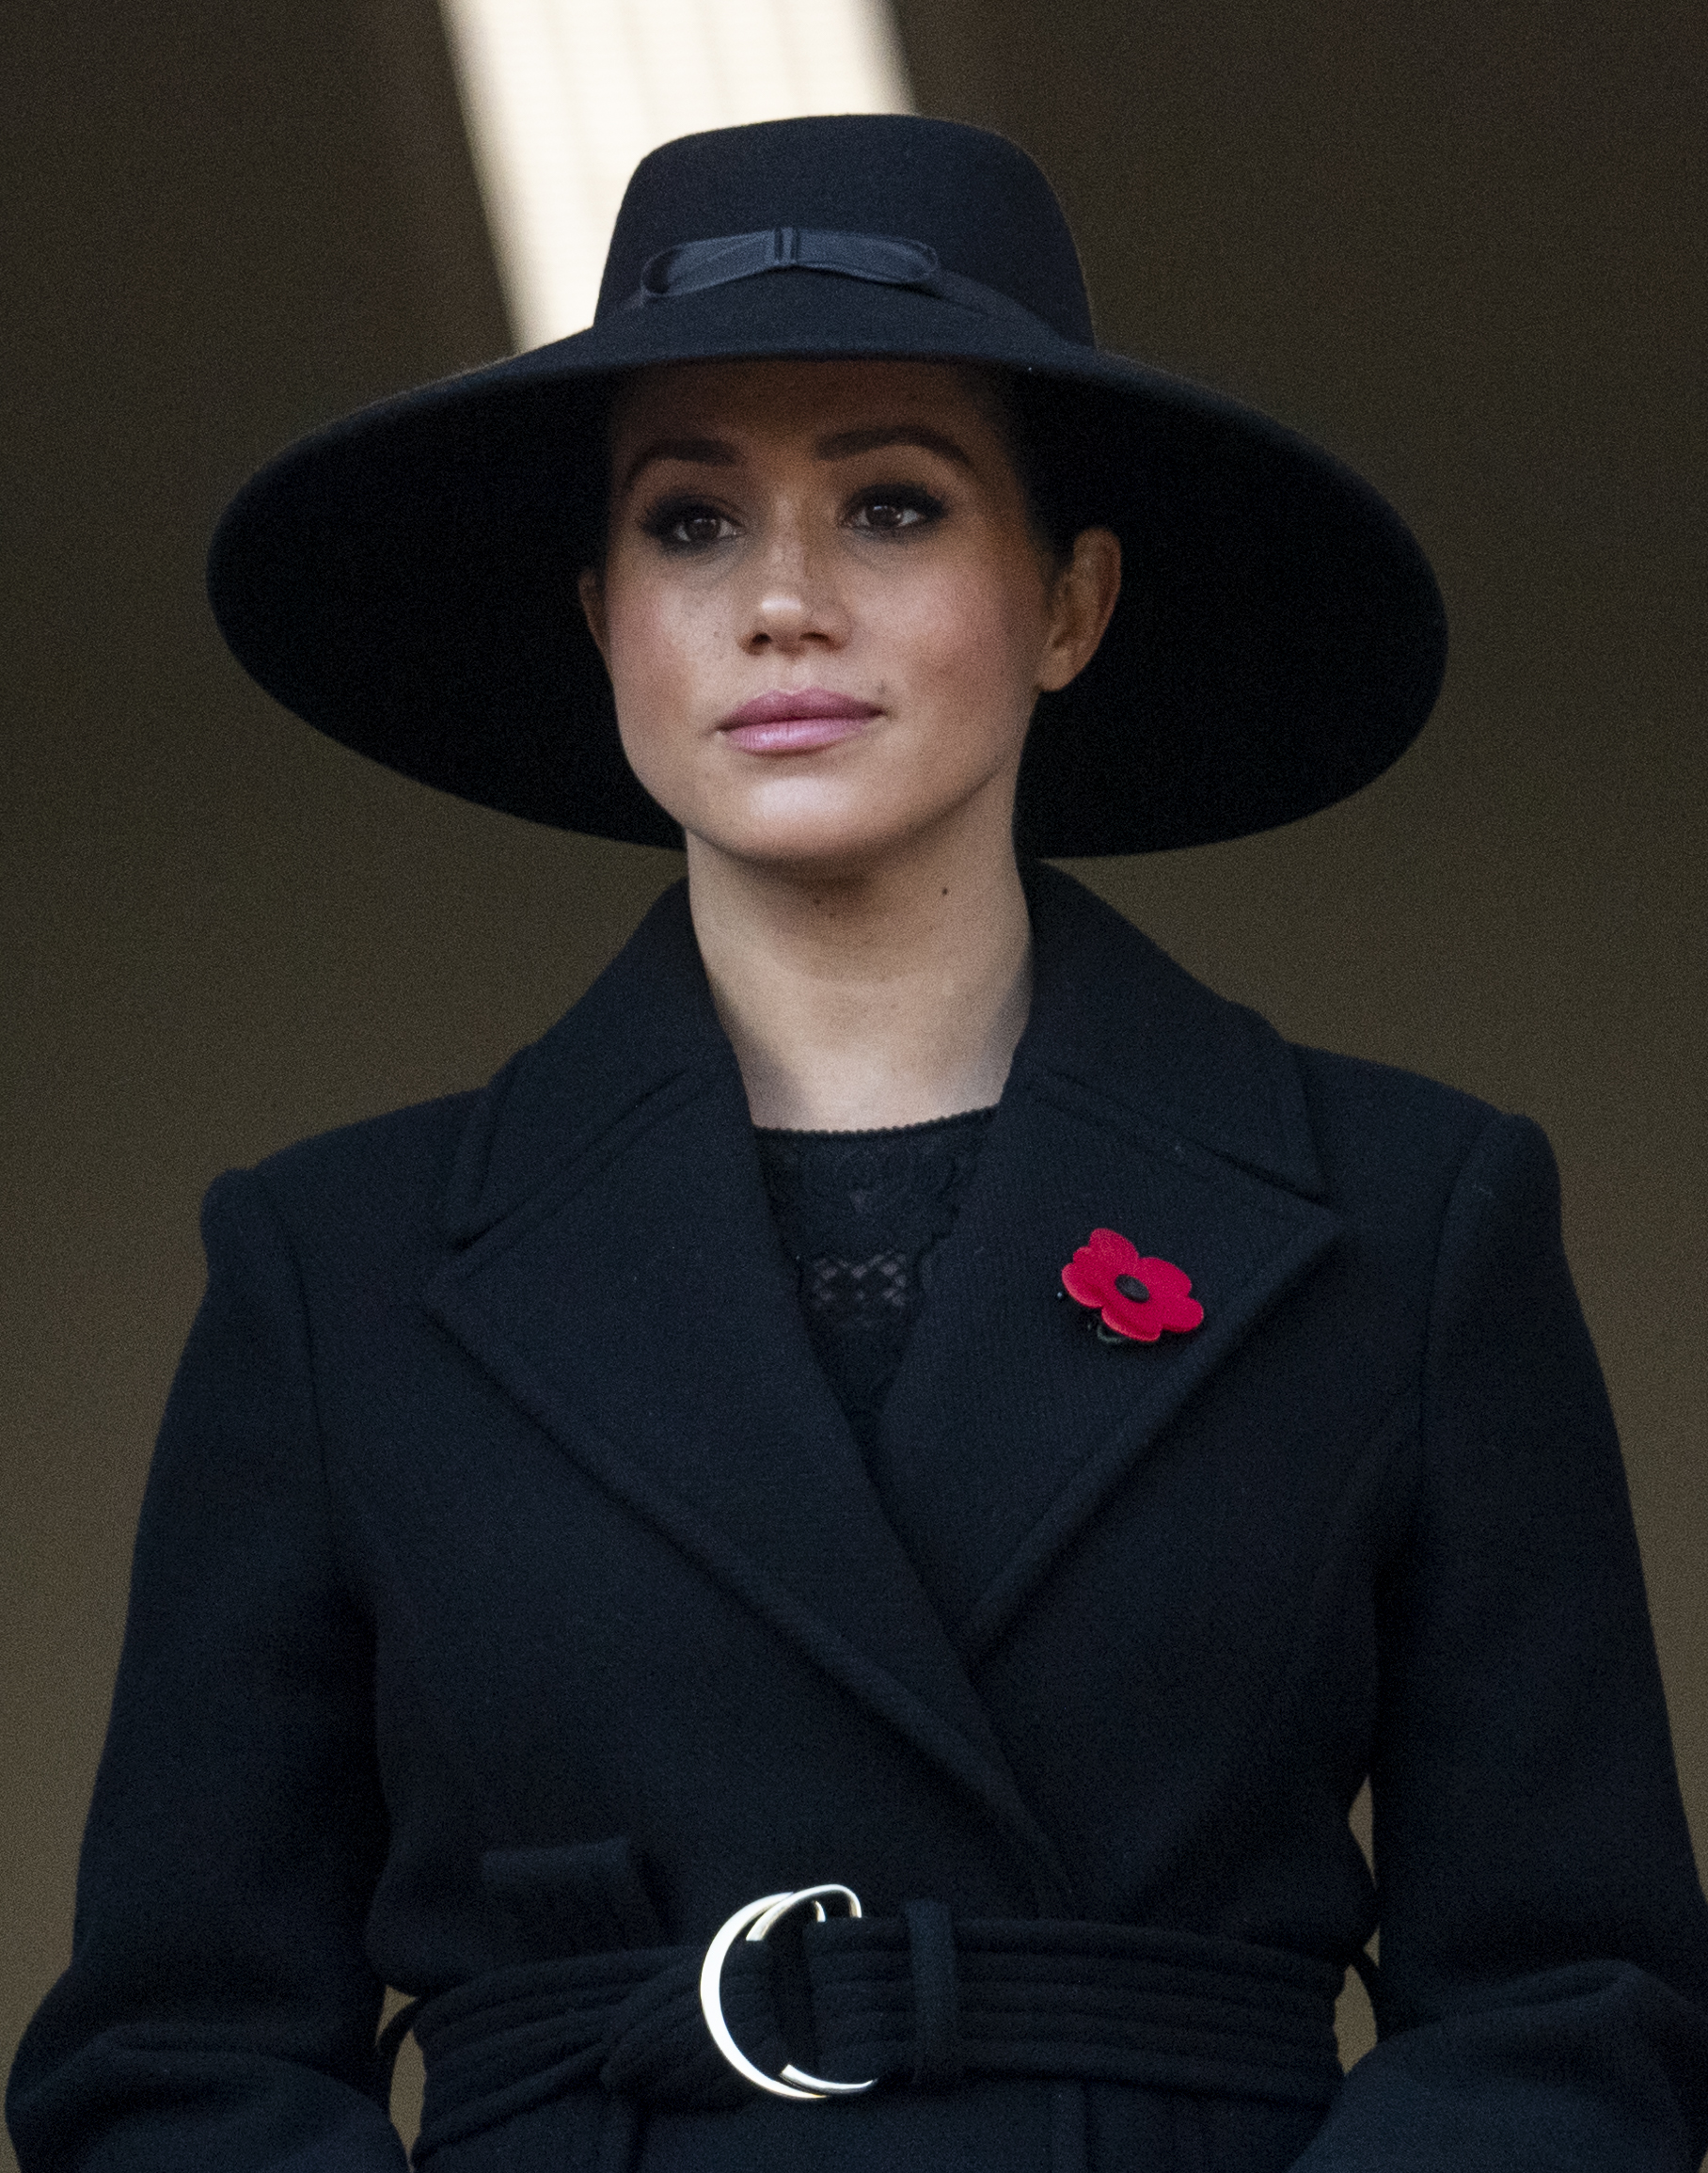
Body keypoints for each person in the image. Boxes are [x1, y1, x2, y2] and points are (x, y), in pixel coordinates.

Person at [8, 114, 1707, 2173]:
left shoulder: (1404, 1221)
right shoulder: (330, 1269)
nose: (783, 604)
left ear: (1068, 600)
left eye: (891, 505)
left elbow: (1569, 2009)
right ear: (598, 615)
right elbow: (175, 2063)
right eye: (690, 526)